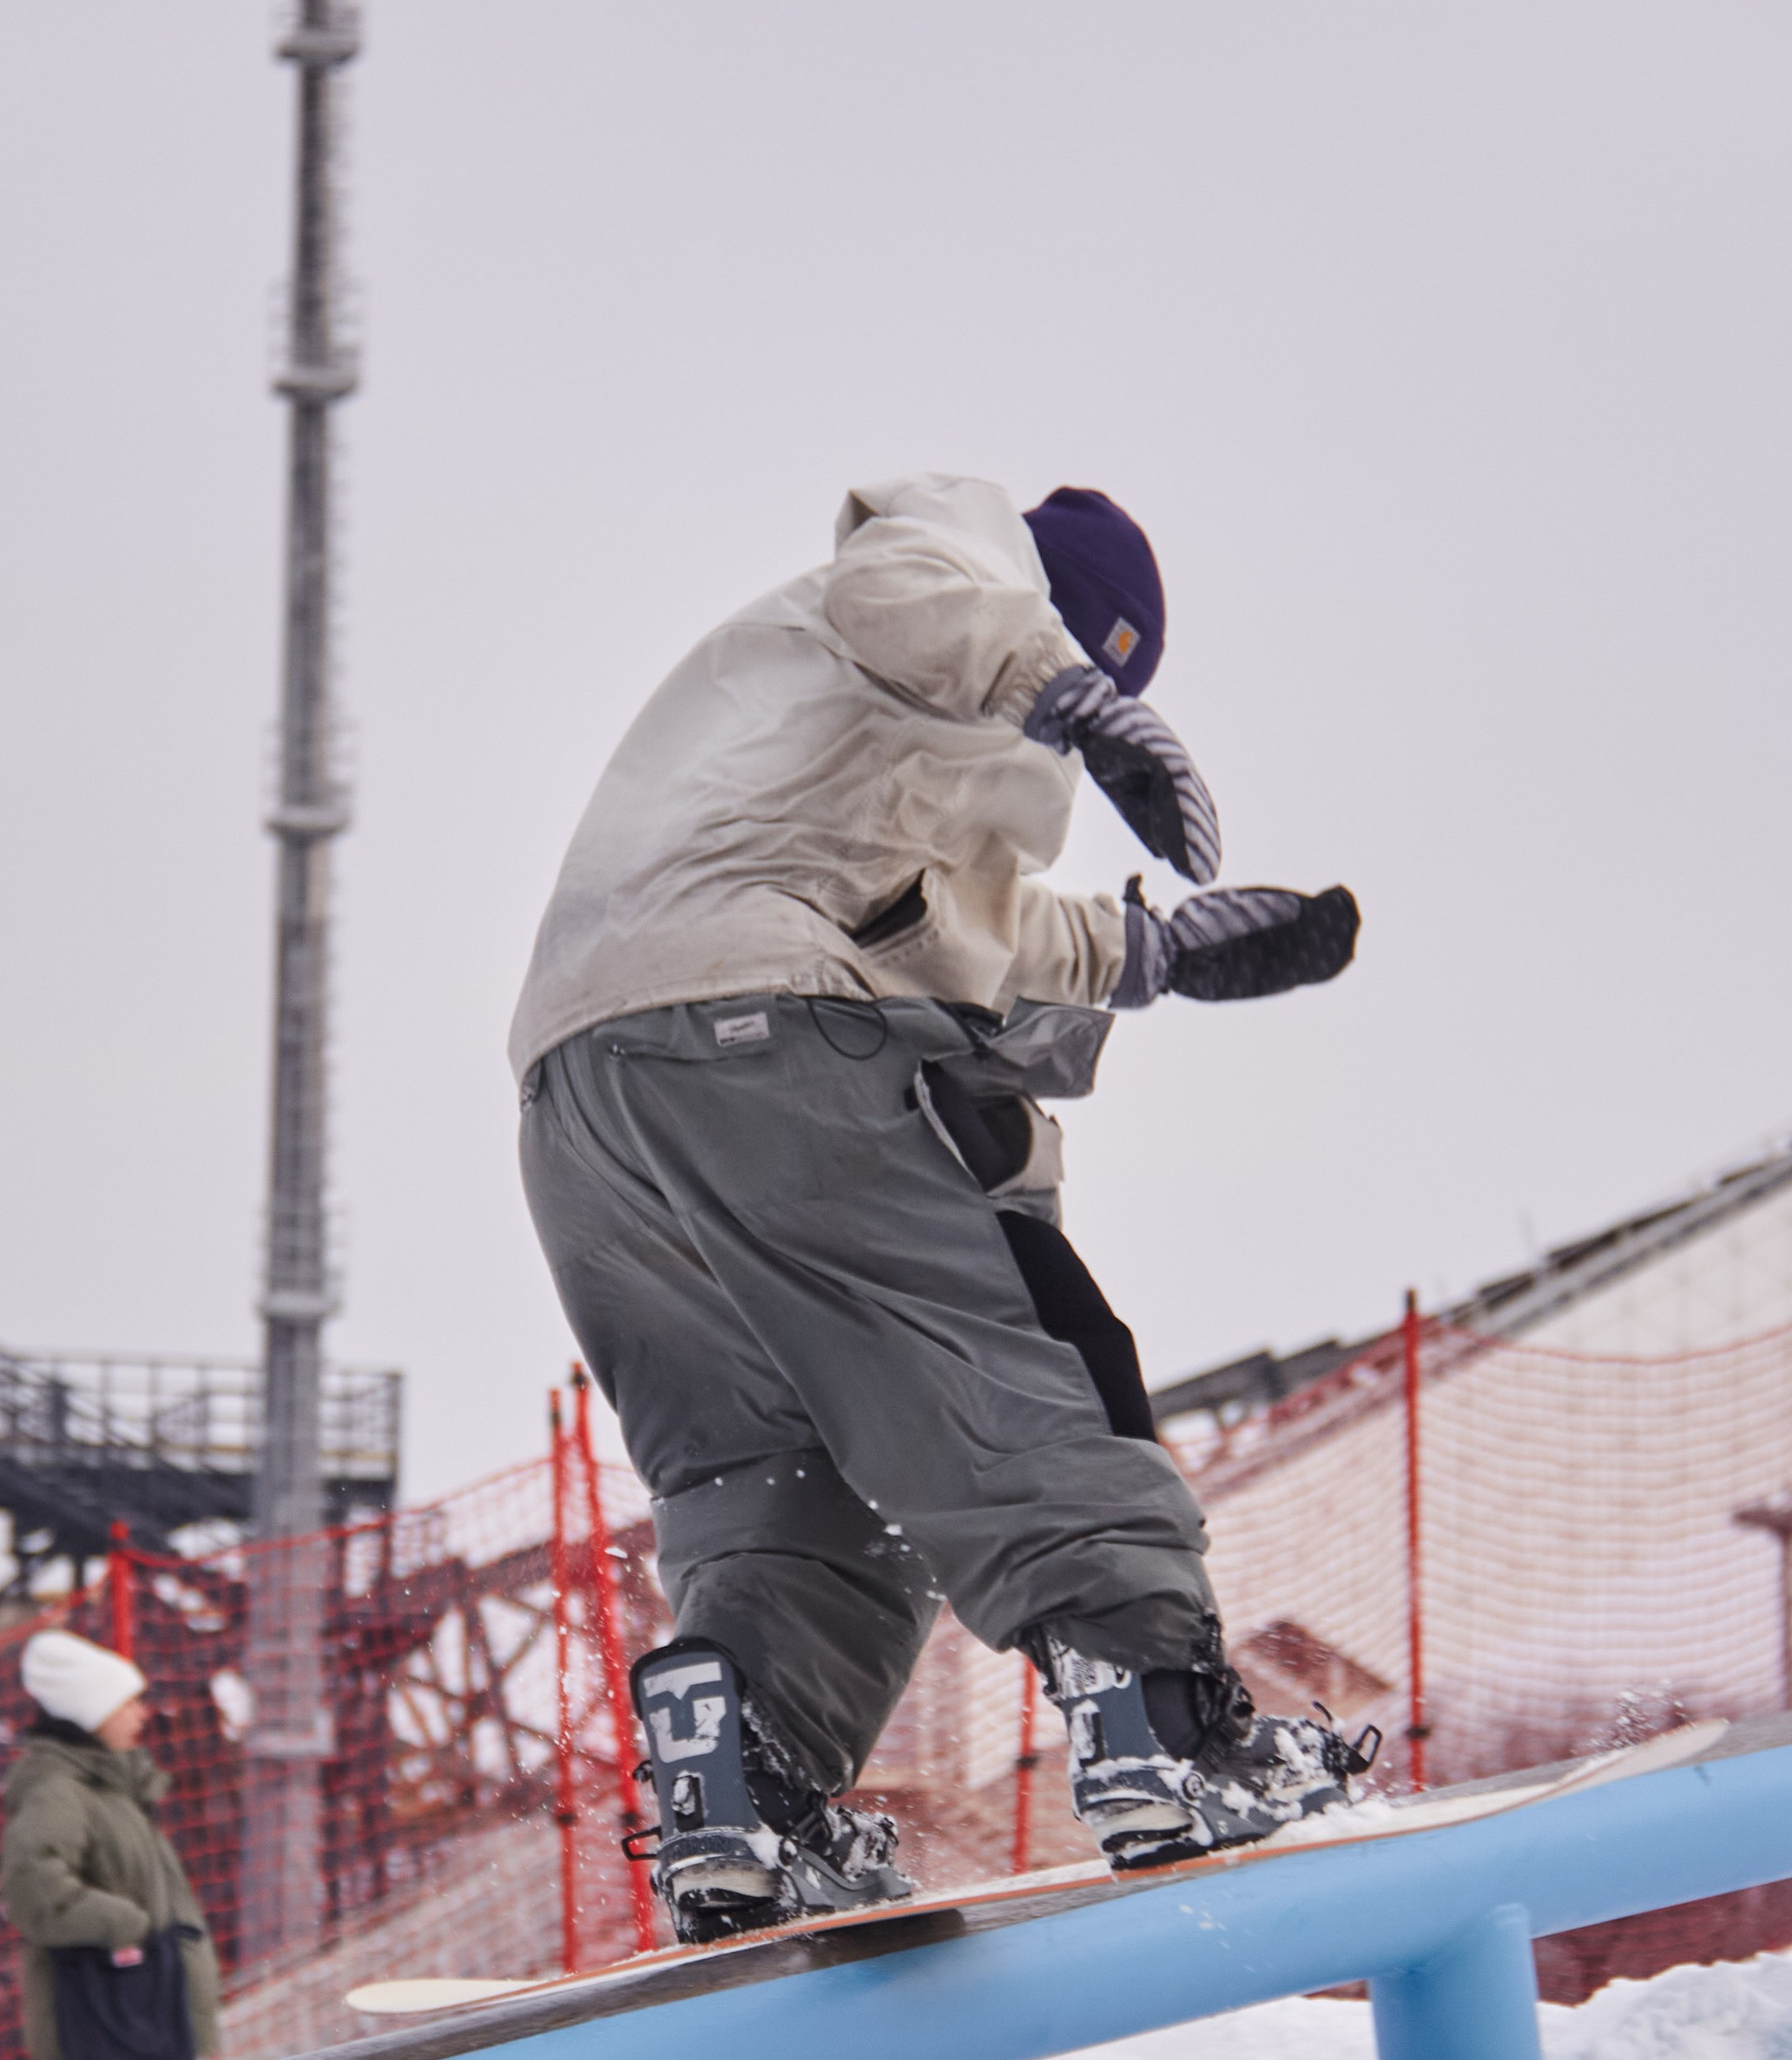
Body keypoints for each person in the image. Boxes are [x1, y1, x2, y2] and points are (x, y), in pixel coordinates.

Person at [511, 474, 1365, 1944]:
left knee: (773, 1473)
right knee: (1015, 1363)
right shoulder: (952, 557)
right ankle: (1157, 1716)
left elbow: (930, 915)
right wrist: (1075, 697)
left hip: (582, 1105)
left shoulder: (801, 750)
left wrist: (1155, 955)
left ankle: (747, 1796)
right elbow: (909, 596)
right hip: (753, 1045)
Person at [0, 1630, 221, 2060]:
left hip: (147, 2021)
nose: (142, 1714)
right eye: (128, 1703)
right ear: (93, 1712)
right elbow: (32, 1889)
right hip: (110, 2029)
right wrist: (127, 1926)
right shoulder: (60, 1791)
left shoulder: (114, 1790)